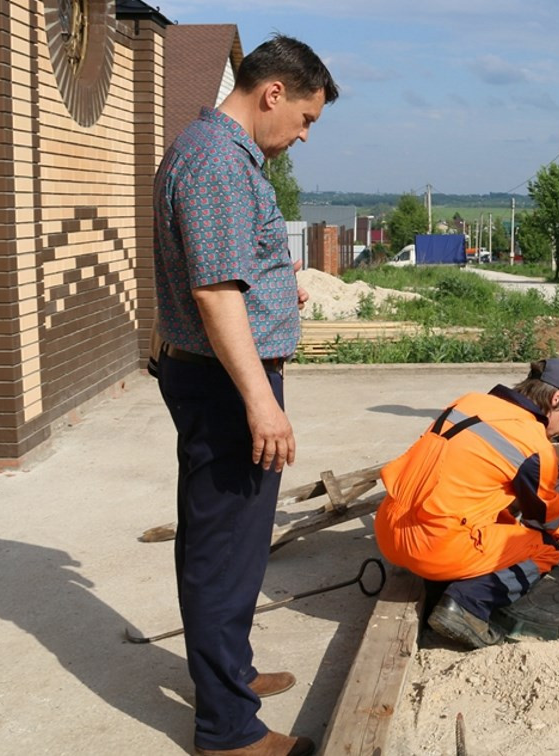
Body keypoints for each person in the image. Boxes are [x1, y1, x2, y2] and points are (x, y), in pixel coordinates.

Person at [152, 35, 338, 756]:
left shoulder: (211, 152)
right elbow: (213, 291)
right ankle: (228, 733)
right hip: (227, 383)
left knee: (227, 543)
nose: (303, 133)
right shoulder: (218, 164)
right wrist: (262, 402)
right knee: (223, 551)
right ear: (273, 94)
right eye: (305, 118)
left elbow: (229, 271)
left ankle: (228, 673)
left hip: (218, 373)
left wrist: (270, 284)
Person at [374, 359, 559, 649]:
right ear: (556, 397)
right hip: (433, 549)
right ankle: (467, 606)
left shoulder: (469, 402)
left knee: (501, 522)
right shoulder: (534, 443)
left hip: (389, 529)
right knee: (545, 548)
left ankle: (442, 583)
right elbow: (544, 516)